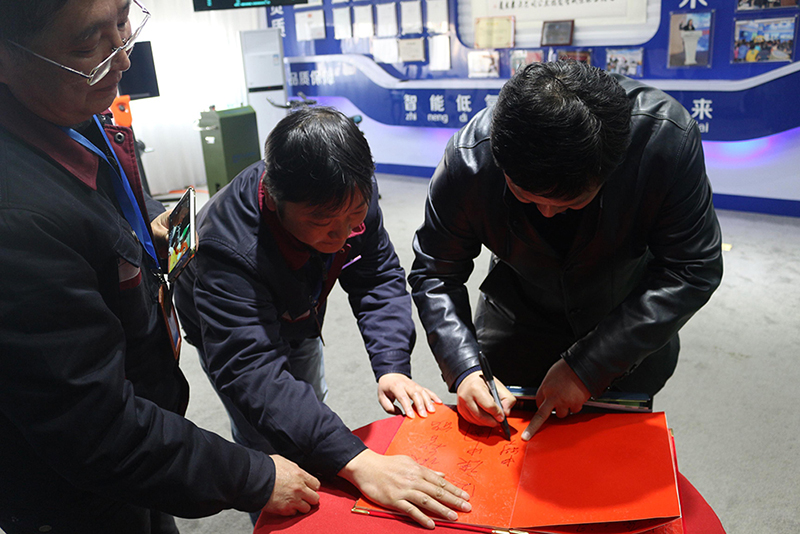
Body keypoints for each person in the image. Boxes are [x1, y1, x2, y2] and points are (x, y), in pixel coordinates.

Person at [0, 1, 323, 532]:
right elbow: (98, 432)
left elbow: (98, 200)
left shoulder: (69, 109)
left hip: (142, 426)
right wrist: (255, 476)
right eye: (88, 44)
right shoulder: (17, 222)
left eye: (122, 22)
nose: (123, 58)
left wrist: (139, 224)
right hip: (78, 491)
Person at [173, 106, 472, 529]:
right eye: (322, 222)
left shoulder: (350, 192)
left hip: (300, 308)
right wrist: (357, 459)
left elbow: (376, 276)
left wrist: (391, 365)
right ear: (274, 199)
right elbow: (249, 369)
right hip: (226, 327)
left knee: (308, 399)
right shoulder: (225, 246)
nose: (341, 234)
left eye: (354, 218)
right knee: (265, 438)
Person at [409, 60, 723, 442]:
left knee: (613, 455)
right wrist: (463, 367)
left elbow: (692, 267)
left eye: (570, 203)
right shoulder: (470, 158)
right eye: (526, 196)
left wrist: (591, 366)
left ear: (609, 170)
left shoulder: (663, 139)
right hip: (516, 327)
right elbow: (435, 272)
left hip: (625, 324)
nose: (546, 212)